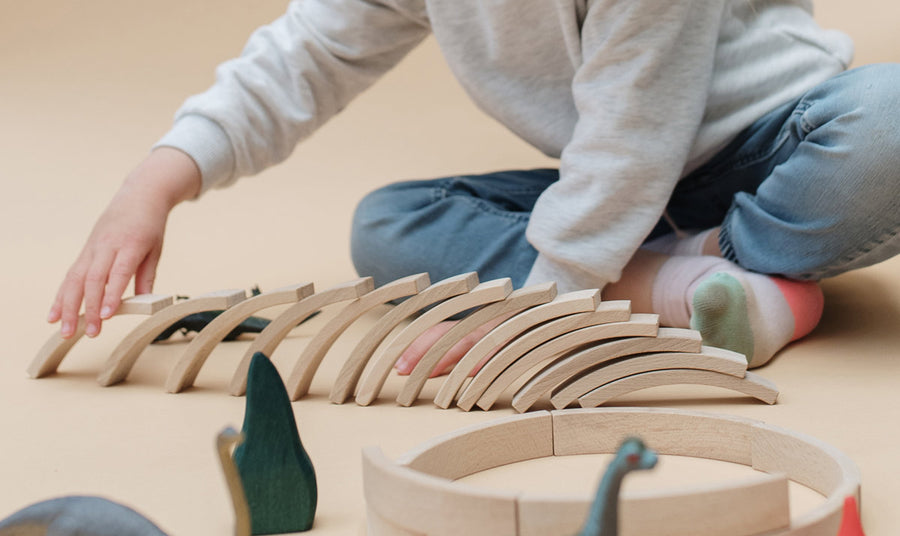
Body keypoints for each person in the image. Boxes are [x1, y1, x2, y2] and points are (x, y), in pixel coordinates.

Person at [48, 0, 900, 374]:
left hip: (772, 151)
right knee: (389, 223)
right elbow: (303, 55)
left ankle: (697, 264)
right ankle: (695, 285)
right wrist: (156, 181)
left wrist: (534, 312)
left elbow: (634, 122)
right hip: (607, 187)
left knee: (890, 122)